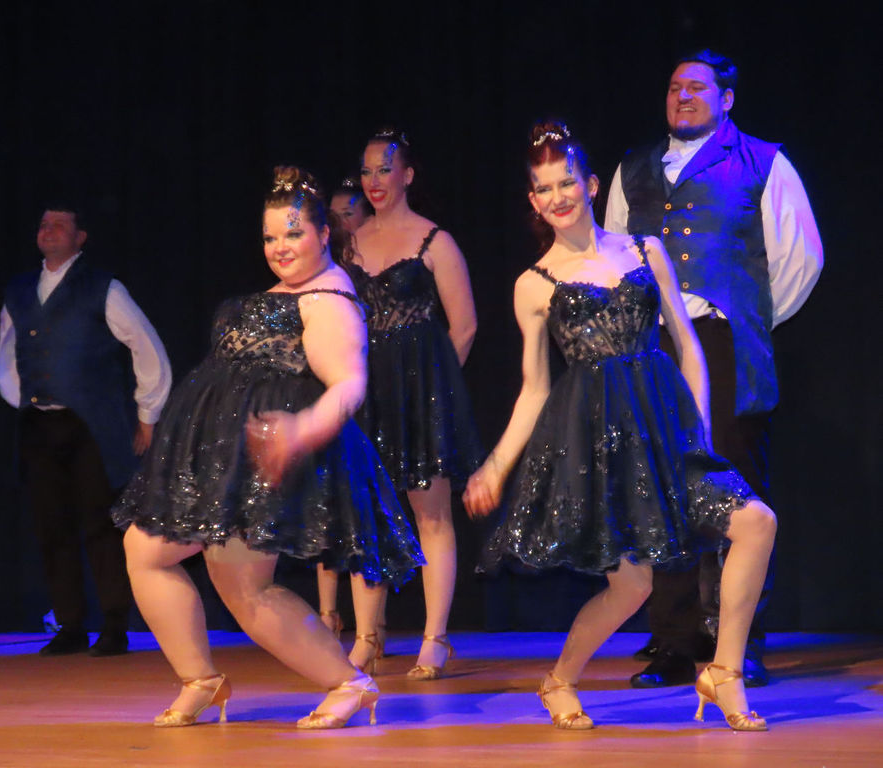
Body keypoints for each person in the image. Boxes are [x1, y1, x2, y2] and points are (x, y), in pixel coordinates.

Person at [464, 122, 776, 732]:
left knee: (757, 523)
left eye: (566, 182)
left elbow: (687, 346)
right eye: (543, 188)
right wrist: (495, 466)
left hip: (668, 433)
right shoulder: (533, 284)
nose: (557, 196)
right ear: (532, 200)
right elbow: (535, 388)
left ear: (590, 185)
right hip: (602, 445)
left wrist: (699, 434)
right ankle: (559, 680)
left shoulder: (644, 250)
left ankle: (725, 672)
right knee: (631, 586)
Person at [112, 166, 424, 729]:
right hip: (226, 460)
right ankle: (202, 680)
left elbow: (349, 384)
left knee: (239, 584)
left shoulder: (329, 297)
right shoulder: (292, 291)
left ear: (323, 233)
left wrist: (299, 431)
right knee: (157, 555)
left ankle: (350, 683)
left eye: (293, 233)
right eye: (270, 236)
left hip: (265, 461)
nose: (280, 247)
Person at [605, 49, 822, 688]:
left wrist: (745, 321)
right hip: (654, 345)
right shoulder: (633, 169)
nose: (683, 96)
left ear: (727, 99)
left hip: (724, 342)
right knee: (662, 486)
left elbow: (800, 258)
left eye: (697, 87)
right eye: (675, 87)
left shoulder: (763, 162)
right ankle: (674, 641)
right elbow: (614, 256)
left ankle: (739, 641)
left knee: (734, 487)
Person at [0, 204, 172, 657]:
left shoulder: (102, 287)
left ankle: (114, 625)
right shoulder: (19, 290)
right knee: (51, 527)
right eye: (43, 224)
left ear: (80, 237)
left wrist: (147, 414)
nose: (48, 230)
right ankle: (70, 625)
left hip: (90, 426)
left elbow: (145, 345)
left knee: (100, 526)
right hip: (40, 424)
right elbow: (8, 349)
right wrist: (24, 398)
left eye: (59, 225)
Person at [342, 128, 481, 679]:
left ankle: (434, 638)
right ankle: (366, 638)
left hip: (421, 395)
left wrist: (434, 389)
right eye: (367, 170)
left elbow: (464, 326)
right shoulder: (349, 244)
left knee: (431, 515)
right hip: (367, 395)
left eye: (385, 169)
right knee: (367, 517)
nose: (374, 180)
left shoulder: (434, 241)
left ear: (408, 175)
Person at [316, 176, 375, 642]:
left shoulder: (352, 277)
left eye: (348, 213)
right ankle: (326, 615)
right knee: (326, 513)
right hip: (326, 401)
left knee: (361, 515)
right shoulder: (319, 274)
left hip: (366, 395)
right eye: (333, 215)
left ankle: (369, 633)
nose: (341, 222)